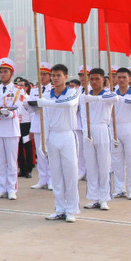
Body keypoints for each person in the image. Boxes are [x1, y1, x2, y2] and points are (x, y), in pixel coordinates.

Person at [32, 63, 80, 223]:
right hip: (53, 136)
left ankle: (72, 209)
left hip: (67, 135)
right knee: (56, 174)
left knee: (70, 173)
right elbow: (44, 119)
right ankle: (59, 208)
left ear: (65, 77)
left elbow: (69, 104)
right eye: (53, 75)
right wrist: (43, 142)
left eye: (58, 75)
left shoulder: (73, 92)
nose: (55, 78)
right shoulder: (46, 95)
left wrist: (45, 103)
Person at [79, 68, 115, 210]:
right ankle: (93, 197)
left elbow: (115, 99)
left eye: (97, 79)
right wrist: (85, 131)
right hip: (88, 128)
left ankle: (104, 197)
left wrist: (95, 98)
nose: (94, 82)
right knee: (91, 165)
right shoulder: (84, 95)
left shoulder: (108, 93)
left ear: (103, 80)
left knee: (104, 164)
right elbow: (82, 114)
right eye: (92, 79)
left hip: (102, 127)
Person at [0, 58, 24, 200]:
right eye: (1, 72)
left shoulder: (18, 90)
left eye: (6, 72)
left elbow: (19, 107)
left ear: (11, 73)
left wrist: (9, 113)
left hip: (10, 128)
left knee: (11, 160)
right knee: (0, 160)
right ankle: (1, 187)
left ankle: (11, 188)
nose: (3, 74)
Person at [111, 68, 131, 200]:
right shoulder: (111, 93)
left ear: (130, 78)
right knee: (117, 161)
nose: (121, 80)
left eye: (124, 77)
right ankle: (119, 188)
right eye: (119, 77)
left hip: (129, 126)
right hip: (115, 128)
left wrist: (121, 99)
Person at [27, 63, 52, 189]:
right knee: (40, 152)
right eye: (40, 74)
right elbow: (30, 109)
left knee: (50, 152)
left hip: (49, 123)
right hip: (37, 122)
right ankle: (43, 179)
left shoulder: (53, 89)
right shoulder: (34, 90)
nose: (42, 77)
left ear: (49, 76)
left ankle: (52, 180)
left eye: (44, 74)